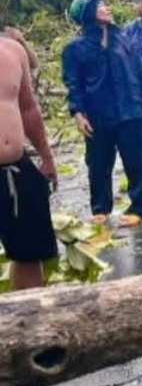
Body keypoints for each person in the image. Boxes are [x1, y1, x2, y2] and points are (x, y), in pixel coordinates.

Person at [61, 0, 142, 227]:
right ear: (88, 14)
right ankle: (101, 207)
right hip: (97, 113)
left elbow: (139, 70)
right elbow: (73, 84)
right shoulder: (75, 49)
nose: (107, 8)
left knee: (136, 160)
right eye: (100, 5)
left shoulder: (124, 39)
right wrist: (78, 113)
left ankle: (139, 207)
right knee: (99, 163)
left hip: (129, 110)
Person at [0, 32, 58, 290]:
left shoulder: (12, 49)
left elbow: (28, 108)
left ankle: (27, 321)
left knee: (29, 254)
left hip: (15, 169)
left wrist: (46, 157)